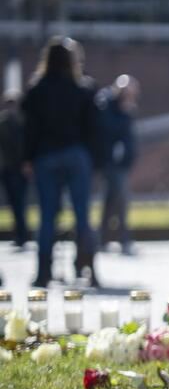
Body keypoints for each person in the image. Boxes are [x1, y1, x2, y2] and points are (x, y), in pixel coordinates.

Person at [20, 37, 100, 288]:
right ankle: (89, 268)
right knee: (82, 214)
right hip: (76, 154)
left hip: (46, 155)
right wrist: (91, 157)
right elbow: (93, 128)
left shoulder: (37, 89)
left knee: (46, 216)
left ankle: (43, 271)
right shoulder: (83, 88)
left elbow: (29, 129)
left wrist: (27, 158)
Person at [95, 74, 140, 255]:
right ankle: (123, 239)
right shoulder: (108, 104)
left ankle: (102, 239)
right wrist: (123, 111)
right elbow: (108, 130)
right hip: (111, 161)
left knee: (111, 200)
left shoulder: (127, 108)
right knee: (120, 200)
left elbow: (129, 137)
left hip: (122, 162)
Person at [0, 88, 30, 249]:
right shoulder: (4, 122)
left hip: (20, 168)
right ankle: (20, 234)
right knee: (14, 203)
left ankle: (22, 235)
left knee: (20, 203)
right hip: (8, 168)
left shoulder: (24, 121)